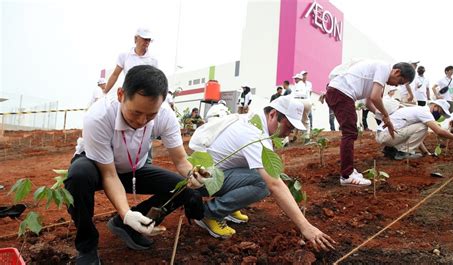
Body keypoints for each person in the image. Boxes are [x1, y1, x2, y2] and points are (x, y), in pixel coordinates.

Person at [65, 65, 204, 264]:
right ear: (121, 94)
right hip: (98, 167)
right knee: (78, 176)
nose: (142, 120)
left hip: (133, 169)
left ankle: (127, 226)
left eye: (150, 115)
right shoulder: (99, 116)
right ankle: (87, 246)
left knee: (182, 188)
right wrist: (126, 212)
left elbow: (181, 161)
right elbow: (109, 175)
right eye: (136, 112)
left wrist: (193, 175)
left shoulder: (165, 116)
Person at [189, 95, 336, 251]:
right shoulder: (255, 134)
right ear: (272, 114)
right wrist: (305, 226)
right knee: (262, 184)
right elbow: (274, 184)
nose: (289, 133)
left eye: (292, 129)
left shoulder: (255, 119)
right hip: (201, 181)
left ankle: (228, 208)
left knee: (259, 171)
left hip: (214, 173)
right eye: (288, 126)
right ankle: (210, 214)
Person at [326, 60, 415, 186]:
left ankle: (348, 170)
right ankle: (347, 175)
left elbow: (369, 103)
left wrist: (383, 118)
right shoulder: (384, 67)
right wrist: (386, 115)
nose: (396, 86)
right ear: (396, 72)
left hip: (339, 92)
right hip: (341, 92)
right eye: (399, 82)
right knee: (350, 133)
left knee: (350, 132)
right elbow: (375, 97)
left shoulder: (380, 79)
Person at [376, 99, 453, 160]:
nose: (439, 115)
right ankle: (403, 153)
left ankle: (391, 150)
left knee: (420, 127)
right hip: (386, 135)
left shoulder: (419, 110)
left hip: (384, 135)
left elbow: (415, 135)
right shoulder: (425, 112)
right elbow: (439, 131)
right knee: (423, 127)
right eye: (440, 112)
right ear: (435, 106)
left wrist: (425, 153)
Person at [104, 27, 158, 94]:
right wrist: (104, 93)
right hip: (127, 93)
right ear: (135, 39)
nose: (147, 42)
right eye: (144, 39)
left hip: (144, 95)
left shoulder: (153, 60)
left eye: (149, 40)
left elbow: (154, 80)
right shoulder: (124, 56)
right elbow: (115, 75)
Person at [292, 73, 312, 143]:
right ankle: (307, 137)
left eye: (296, 79)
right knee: (305, 120)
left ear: (299, 79)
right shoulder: (305, 85)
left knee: (295, 119)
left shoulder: (296, 85)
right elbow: (309, 94)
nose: (295, 80)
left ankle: (287, 139)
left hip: (298, 102)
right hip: (307, 102)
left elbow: (292, 95)